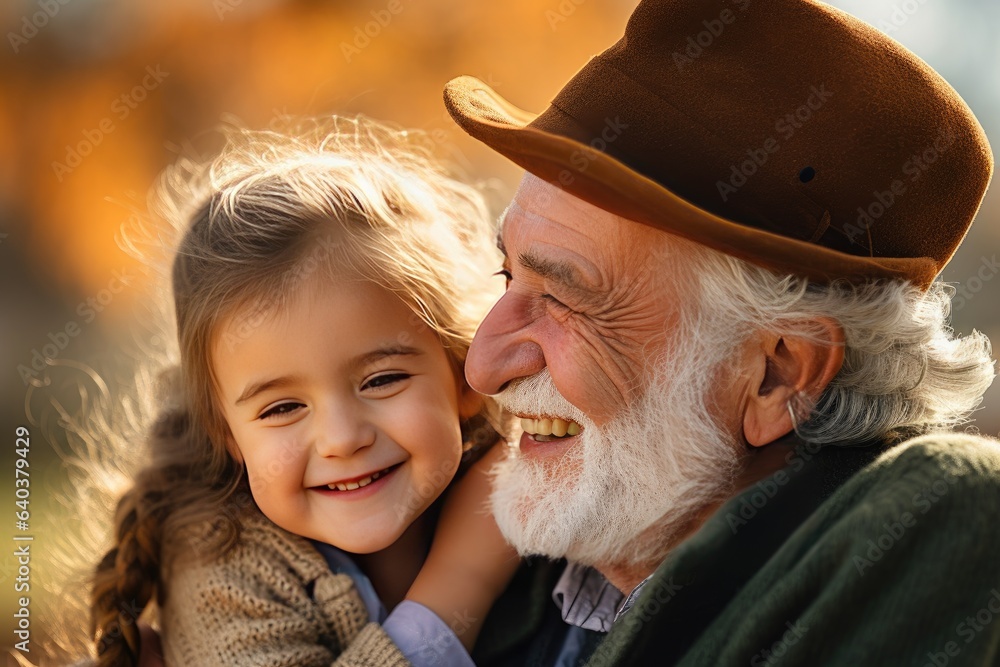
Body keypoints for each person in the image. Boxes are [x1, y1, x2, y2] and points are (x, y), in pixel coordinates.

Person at [441, 0, 1000, 664]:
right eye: (508, 278)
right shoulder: (506, 567)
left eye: (564, 299)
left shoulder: (942, 521)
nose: (481, 365)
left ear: (777, 373)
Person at [88, 117, 585, 667]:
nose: (342, 439)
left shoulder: (540, 480)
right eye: (282, 408)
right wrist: (462, 578)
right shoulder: (221, 565)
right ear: (228, 435)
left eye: (382, 380)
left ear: (463, 373)